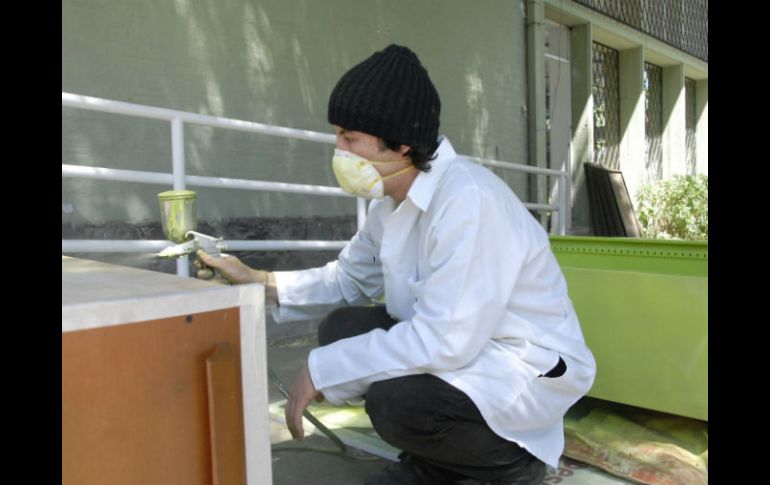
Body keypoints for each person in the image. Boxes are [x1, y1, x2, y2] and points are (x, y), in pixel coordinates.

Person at [196, 44, 596, 485]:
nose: (339, 151)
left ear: (401, 143)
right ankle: (441, 460)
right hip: (469, 347)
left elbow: (445, 341)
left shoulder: (469, 202)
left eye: (349, 138)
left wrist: (320, 368)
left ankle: (511, 465)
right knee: (341, 331)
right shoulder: (393, 203)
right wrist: (260, 281)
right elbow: (348, 278)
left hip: (520, 363)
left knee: (394, 400)